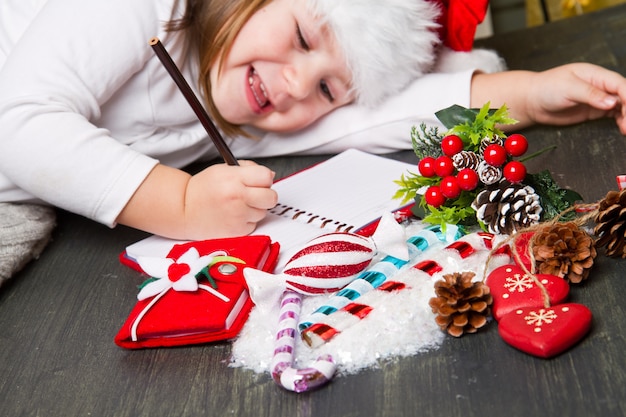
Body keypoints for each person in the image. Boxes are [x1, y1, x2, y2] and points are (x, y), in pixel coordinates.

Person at [0, 0, 625, 248]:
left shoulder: (259, 111)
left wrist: (536, 96)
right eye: (301, 35)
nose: (299, 83)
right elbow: (19, 124)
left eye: (329, 87)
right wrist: (182, 202)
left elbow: (392, 111)